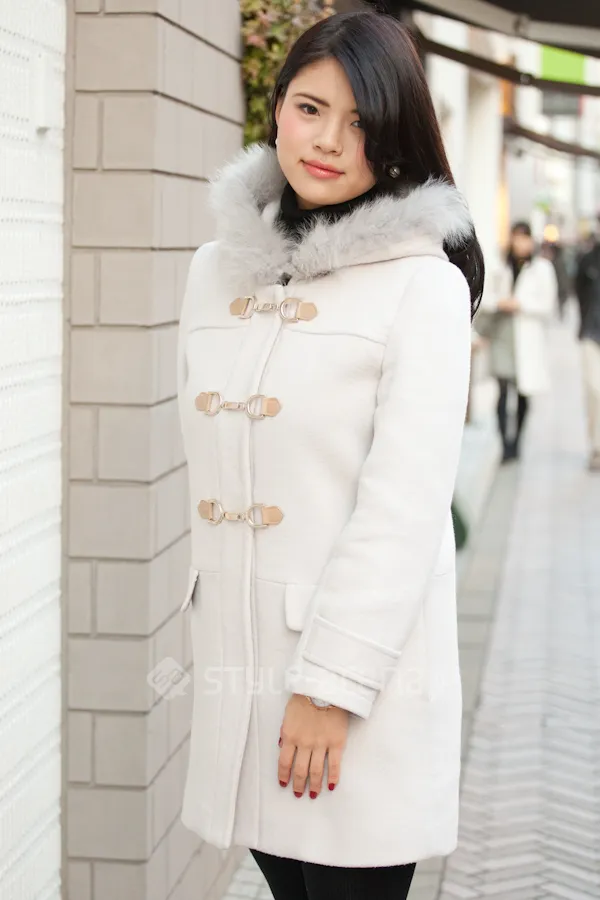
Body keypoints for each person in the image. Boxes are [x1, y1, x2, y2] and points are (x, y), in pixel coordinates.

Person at [176, 11, 484, 900]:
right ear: (277, 106)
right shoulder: (214, 272)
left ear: (395, 139)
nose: (328, 142)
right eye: (310, 109)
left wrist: (329, 690)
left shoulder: (422, 286)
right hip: (243, 680)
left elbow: (404, 511)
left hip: (359, 692)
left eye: (361, 122)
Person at [478, 222, 558, 463]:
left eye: (524, 238)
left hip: (526, 336)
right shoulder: (501, 265)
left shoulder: (542, 268)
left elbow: (548, 305)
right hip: (503, 334)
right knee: (502, 391)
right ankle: (505, 444)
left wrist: (521, 305)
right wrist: (500, 302)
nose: (520, 243)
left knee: (523, 394)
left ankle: (517, 441)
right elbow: (486, 297)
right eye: (516, 237)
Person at [575, 229, 600, 471]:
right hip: (592, 333)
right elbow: (580, 293)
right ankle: (596, 447)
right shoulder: (588, 260)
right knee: (595, 390)